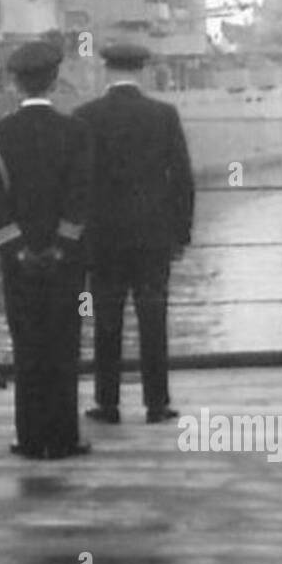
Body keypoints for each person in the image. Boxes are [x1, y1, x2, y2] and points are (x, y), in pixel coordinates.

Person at [0, 40, 92, 459]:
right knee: (65, 345)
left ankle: (29, 438)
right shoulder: (78, 132)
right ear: (54, 80)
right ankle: (65, 438)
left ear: (16, 81)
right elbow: (81, 197)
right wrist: (61, 246)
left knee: (26, 347)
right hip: (67, 263)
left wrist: (21, 251)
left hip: (19, 264)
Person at [74, 41, 194, 425]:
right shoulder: (164, 115)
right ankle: (156, 404)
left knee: (106, 321)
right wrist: (180, 234)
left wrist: (80, 236)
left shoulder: (84, 116)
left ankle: (107, 404)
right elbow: (182, 181)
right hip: (153, 238)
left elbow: (77, 186)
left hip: (103, 240)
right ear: (141, 70)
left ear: (107, 71)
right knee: (153, 320)